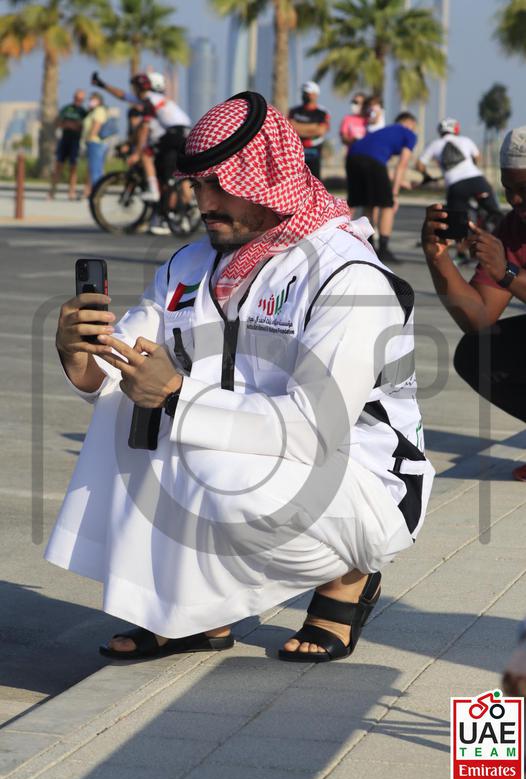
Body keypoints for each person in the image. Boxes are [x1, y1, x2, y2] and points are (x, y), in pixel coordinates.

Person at [47, 91, 434, 664]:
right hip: (250, 454)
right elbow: (122, 366)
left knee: (201, 448)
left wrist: (177, 394)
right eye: (197, 185)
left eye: (221, 185)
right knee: (131, 411)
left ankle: (349, 574)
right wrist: (80, 355)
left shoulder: (347, 275)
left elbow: (313, 428)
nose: (205, 202)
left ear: (270, 177)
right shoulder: (189, 265)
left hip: (364, 480)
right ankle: (189, 609)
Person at [421, 125, 526, 481]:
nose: (515, 201)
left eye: (524, 190)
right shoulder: (514, 228)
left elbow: (508, 275)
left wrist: (508, 273)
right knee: (477, 352)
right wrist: (438, 258)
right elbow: (479, 318)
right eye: (509, 190)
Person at [92, 71, 192, 206]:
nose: (132, 91)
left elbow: (144, 128)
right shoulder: (154, 98)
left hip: (175, 133)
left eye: (134, 88)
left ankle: (153, 191)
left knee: (146, 154)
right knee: (171, 173)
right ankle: (184, 205)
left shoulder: (149, 101)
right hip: (185, 132)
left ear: (139, 88)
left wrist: (137, 153)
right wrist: (103, 85)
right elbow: (123, 95)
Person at [346, 112, 418, 264]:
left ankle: (367, 247)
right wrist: (395, 194)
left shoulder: (384, 132)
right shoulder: (409, 134)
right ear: (409, 123)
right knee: (387, 205)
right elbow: (401, 165)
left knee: (367, 203)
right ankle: (384, 250)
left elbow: (379, 166)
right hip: (372, 161)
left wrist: (401, 182)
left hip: (352, 157)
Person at [417, 117, 501, 227]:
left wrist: (426, 176)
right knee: (495, 212)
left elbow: (420, 165)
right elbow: (477, 157)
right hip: (478, 181)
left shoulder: (435, 144)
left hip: (456, 185)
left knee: (456, 222)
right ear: (456, 129)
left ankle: (462, 234)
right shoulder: (466, 140)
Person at [49, 90, 87, 200]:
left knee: (73, 167)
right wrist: (68, 125)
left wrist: (71, 125)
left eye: (81, 99)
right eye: (77, 98)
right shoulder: (66, 108)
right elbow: (57, 122)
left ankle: (71, 192)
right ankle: (52, 192)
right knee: (58, 166)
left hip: (75, 142)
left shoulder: (83, 111)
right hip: (64, 140)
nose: (78, 100)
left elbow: (83, 126)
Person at [288, 81, 330, 179]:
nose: (305, 95)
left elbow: (321, 131)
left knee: (314, 178)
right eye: (304, 93)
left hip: (315, 151)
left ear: (315, 95)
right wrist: (313, 127)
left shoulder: (322, 112)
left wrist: (299, 127)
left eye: (308, 93)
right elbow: (291, 128)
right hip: (297, 151)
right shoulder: (294, 111)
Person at [82, 92, 109, 198]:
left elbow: (96, 126)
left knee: (95, 169)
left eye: (93, 99)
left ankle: (96, 192)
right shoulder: (93, 111)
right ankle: (95, 191)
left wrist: (89, 138)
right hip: (94, 143)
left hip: (95, 143)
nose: (91, 101)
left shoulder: (99, 110)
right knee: (95, 168)